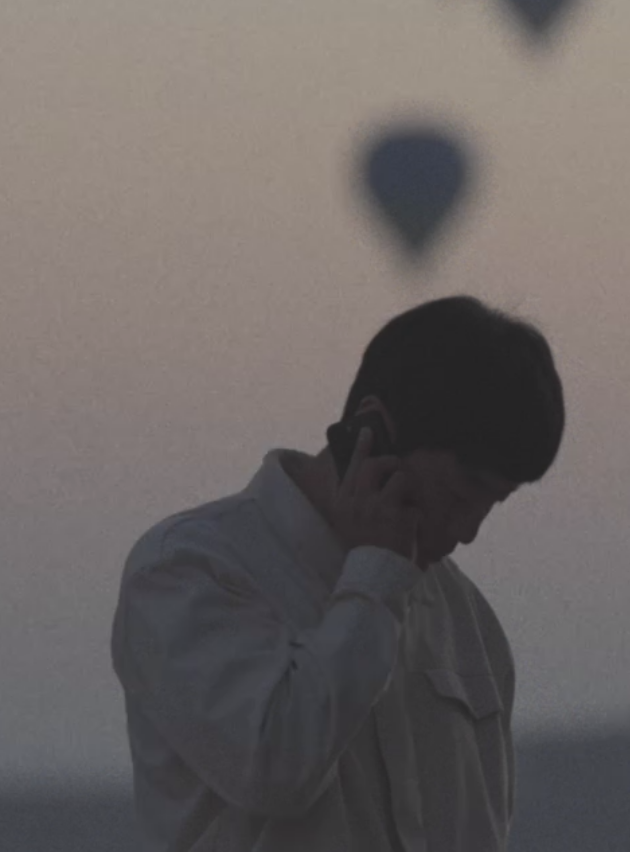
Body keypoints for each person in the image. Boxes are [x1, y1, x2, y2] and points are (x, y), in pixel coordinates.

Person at [109, 295, 565, 851]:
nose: (468, 530)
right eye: (459, 493)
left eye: (494, 503)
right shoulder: (188, 572)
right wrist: (374, 580)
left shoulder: (468, 621)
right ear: (374, 429)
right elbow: (275, 769)